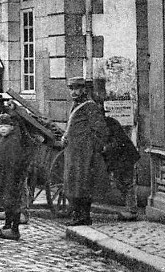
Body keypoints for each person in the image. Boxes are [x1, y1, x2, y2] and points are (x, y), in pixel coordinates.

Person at [63, 77, 108, 226]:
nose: (73, 92)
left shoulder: (90, 106)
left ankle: (83, 217)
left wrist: (89, 150)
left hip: (84, 155)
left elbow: (100, 131)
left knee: (82, 185)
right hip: (73, 153)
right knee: (74, 184)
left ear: (83, 90)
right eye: (71, 89)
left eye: (76, 89)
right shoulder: (75, 105)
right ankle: (78, 216)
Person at [0, 114, 28, 241]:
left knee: (13, 204)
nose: (3, 129)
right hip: (5, 177)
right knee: (8, 204)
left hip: (12, 177)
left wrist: (13, 177)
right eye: (0, 126)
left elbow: (15, 162)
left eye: (6, 126)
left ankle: (14, 229)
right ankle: (7, 226)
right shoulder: (4, 140)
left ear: (11, 127)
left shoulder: (13, 141)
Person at [101, 112, 140, 220]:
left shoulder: (110, 123)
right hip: (118, 159)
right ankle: (130, 208)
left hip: (125, 157)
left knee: (127, 183)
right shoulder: (105, 123)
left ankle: (132, 211)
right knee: (120, 183)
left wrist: (104, 148)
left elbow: (116, 143)